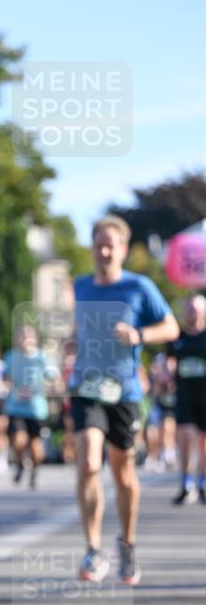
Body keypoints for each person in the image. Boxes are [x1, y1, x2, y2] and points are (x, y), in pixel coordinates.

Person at [69, 215, 179, 585]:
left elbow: (171, 327)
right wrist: (68, 348)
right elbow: (74, 331)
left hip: (125, 392)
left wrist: (138, 334)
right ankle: (92, 548)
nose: (103, 250)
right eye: (98, 243)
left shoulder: (140, 286)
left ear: (123, 249)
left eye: (110, 244)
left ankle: (127, 546)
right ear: (92, 247)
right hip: (86, 387)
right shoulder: (80, 286)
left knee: (124, 473)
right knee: (87, 462)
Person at [3, 324, 57, 489]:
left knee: (36, 448)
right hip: (16, 406)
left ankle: (34, 470)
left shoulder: (42, 357)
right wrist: (12, 389)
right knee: (18, 441)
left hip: (36, 408)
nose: (25, 339)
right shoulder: (11, 356)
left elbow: (53, 377)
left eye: (28, 336)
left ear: (35, 339)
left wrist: (42, 388)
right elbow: (6, 379)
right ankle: (19, 463)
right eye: (22, 335)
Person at [169, 294, 206, 505]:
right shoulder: (177, 338)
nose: (190, 312)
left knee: (203, 444)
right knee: (184, 438)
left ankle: (202, 483)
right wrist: (165, 372)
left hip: (204, 397)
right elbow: (168, 362)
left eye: (194, 308)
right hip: (184, 396)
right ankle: (185, 484)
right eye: (188, 308)